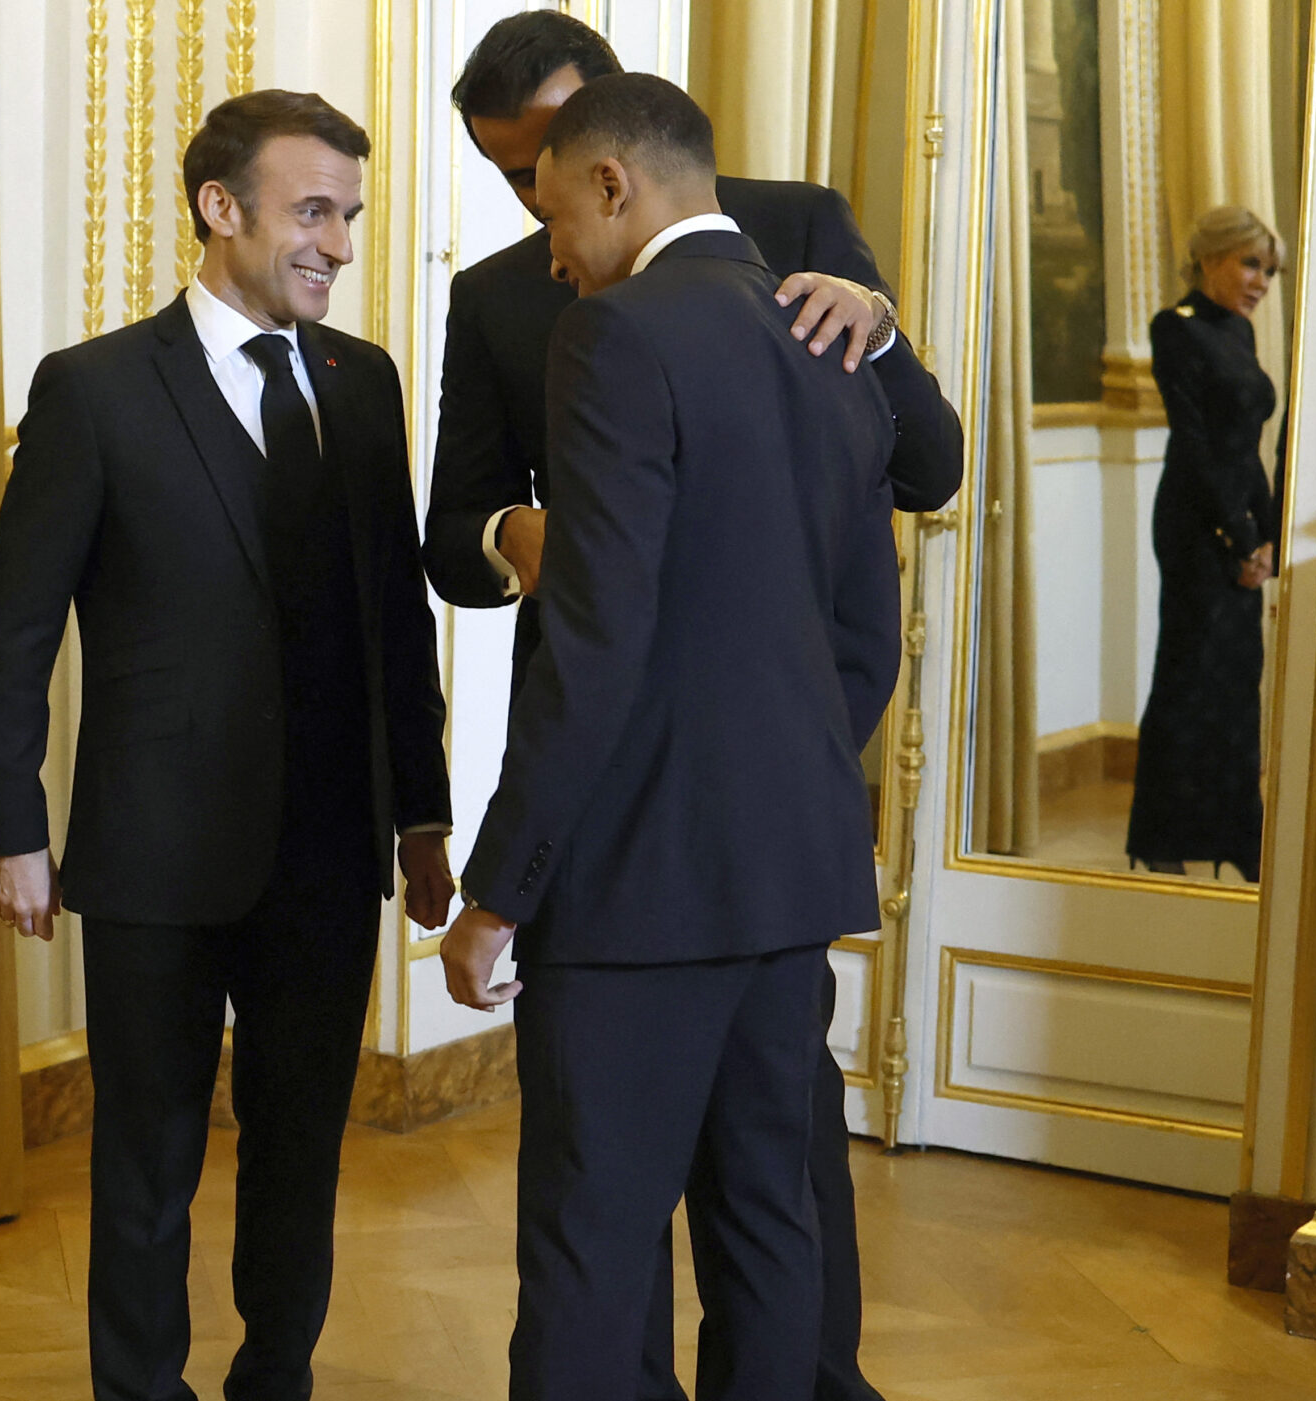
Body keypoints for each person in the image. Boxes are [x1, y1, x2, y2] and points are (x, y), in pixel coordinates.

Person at [427, 15, 961, 1401]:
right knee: (771, 1222)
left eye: (552, 204)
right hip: (790, 865)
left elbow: (595, 643)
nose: (545, 246)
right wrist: (780, 766)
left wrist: (499, 890)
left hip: (632, 876)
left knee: (592, 1240)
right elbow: (863, 626)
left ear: (609, 178)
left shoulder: (620, 332)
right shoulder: (814, 339)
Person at [0, 91, 455, 1401]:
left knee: (300, 1154)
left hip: (329, 855)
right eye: (313, 211)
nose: (337, 243)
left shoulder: (364, 384)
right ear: (219, 207)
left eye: (349, 216)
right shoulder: (95, 389)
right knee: (146, 1161)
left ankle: (275, 1378)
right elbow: (14, 630)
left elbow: (396, 621)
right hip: (154, 854)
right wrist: (11, 826)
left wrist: (419, 815)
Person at [1126, 205, 1283, 882]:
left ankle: (1237, 836)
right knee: (1189, 678)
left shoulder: (1239, 331)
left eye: (1269, 271)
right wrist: (1239, 537)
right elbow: (1195, 446)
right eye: (1251, 265)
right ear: (1211, 258)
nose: (1261, 283)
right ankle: (1162, 837)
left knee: (1237, 680)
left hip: (1237, 519)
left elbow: (1247, 448)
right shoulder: (1176, 327)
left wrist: (1268, 533)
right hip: (1195, 527)